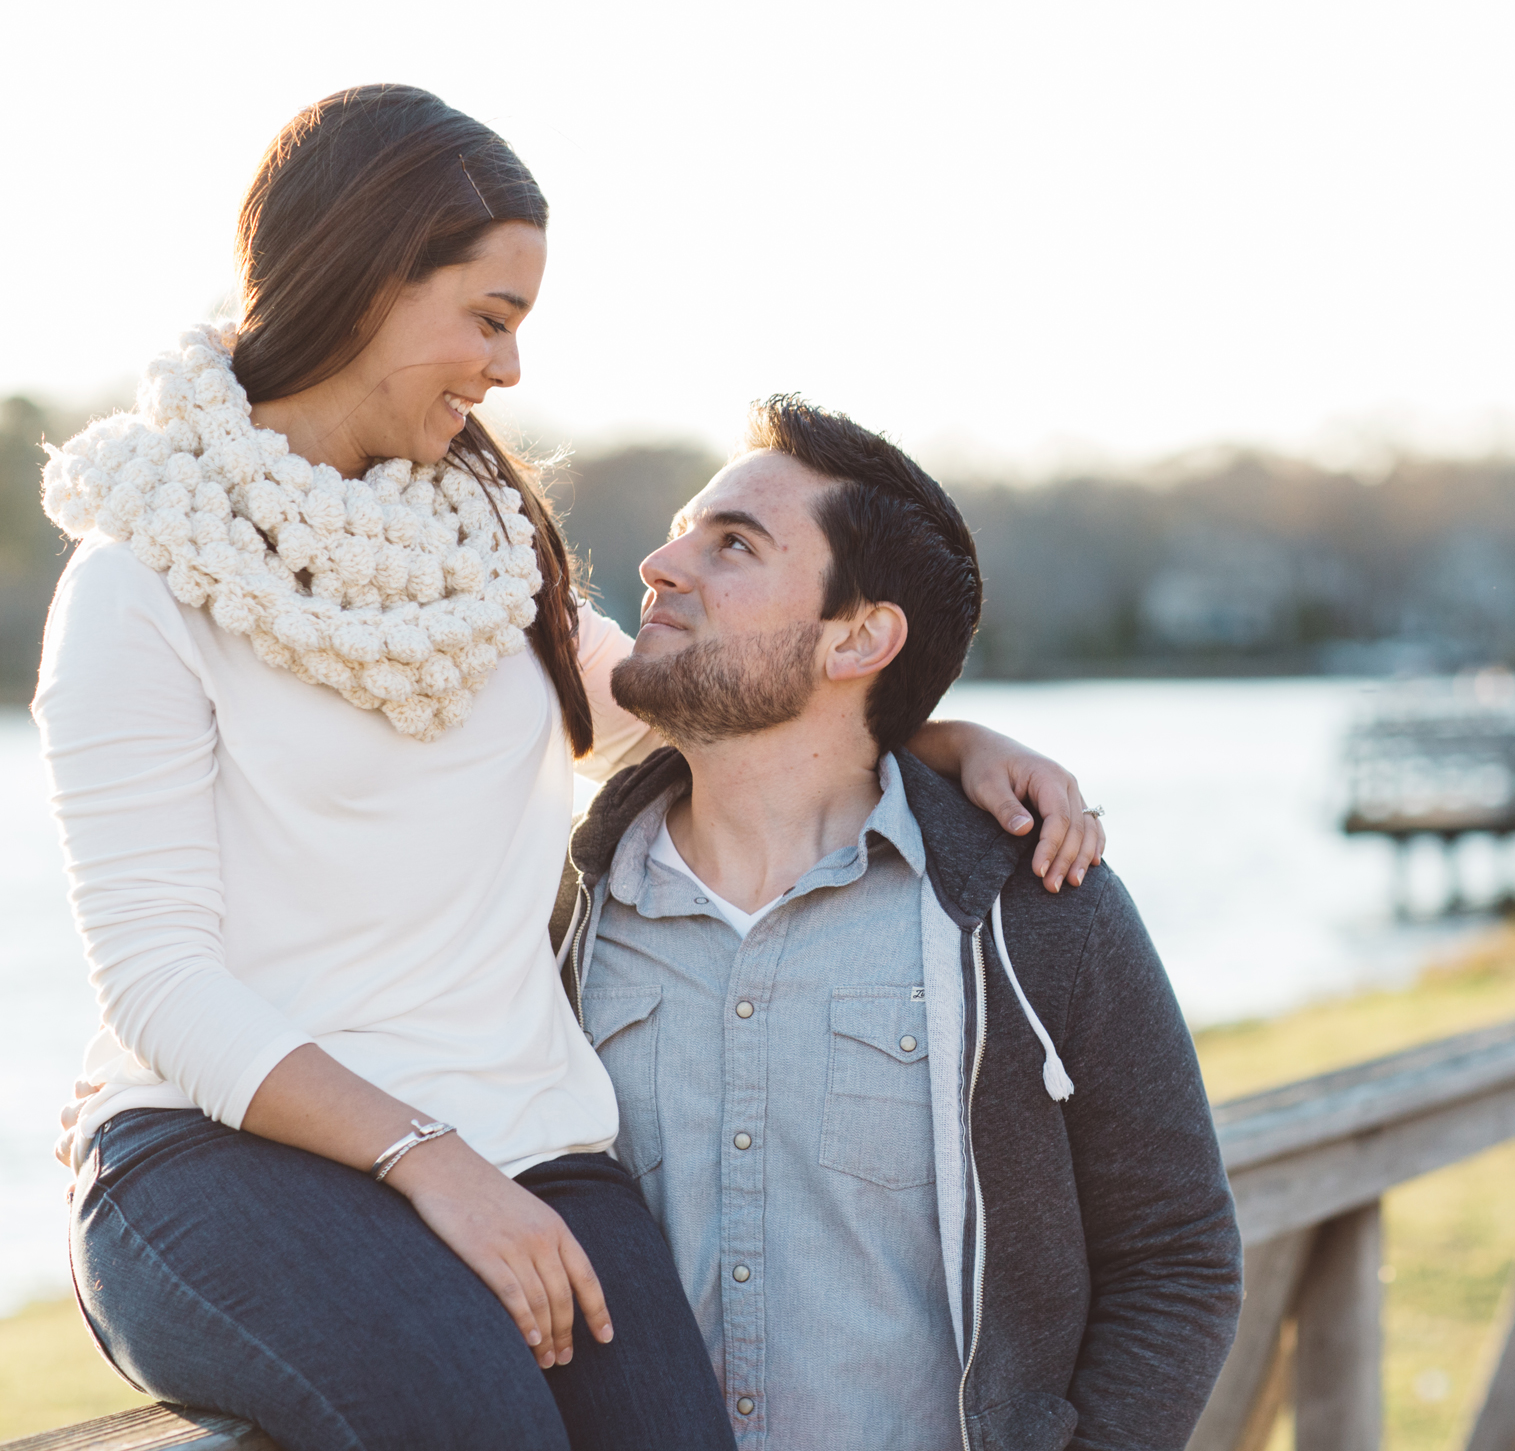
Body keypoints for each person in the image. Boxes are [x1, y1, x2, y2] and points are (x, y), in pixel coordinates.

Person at [36, 85, 1104, 1451]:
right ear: (366, 277)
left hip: (534, 1142)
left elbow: (709, 706)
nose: (510, 370)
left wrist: (942, 733)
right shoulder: (138, 585)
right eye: (490, 317)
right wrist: (433, 1164)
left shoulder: (493, 564)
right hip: (220, 1153)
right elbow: (159, 977)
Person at [559, 395, 1242, 1451]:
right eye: (682, 525)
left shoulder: (1033, 906)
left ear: (859, 636)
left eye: (731, 543)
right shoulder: (562, 910)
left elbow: (1175, 1248)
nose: (658, 561)